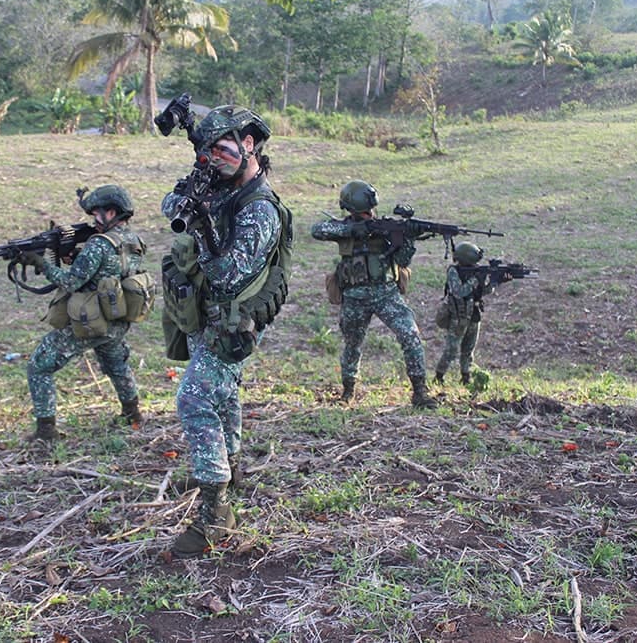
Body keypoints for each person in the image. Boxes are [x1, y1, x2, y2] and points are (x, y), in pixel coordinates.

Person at [160, 105, 292, 558]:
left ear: (249, 144)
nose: (211, 159)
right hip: (206, 314)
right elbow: (169, 203)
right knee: (222, 395)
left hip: (232, 318)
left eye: (219, 149)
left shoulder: (259, 210)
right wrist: (184, 205)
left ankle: (215, 514)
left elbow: (228, 276)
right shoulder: (216, 185)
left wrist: (201, 228)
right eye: (204, 152)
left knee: (194, 397)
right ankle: (231, 468)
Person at [17, 185, 146, 442]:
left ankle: (46, 430)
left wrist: (41, 263)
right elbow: (109, 271)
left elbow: (71, 282)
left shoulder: (98, 244)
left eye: (97, 213)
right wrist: (75, 256)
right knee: (116, 364)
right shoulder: (133, 240)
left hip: (92, 321)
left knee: (39, 367)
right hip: (117, 319)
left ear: (111, 212)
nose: (94, 220)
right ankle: (132, 413)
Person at [311, 180, 437, 408]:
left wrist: (408, 240)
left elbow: (401, 261)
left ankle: (420, 391)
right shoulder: (345, 228)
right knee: (352, 345)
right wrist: (353, 230)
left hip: (386, 293)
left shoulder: (385, 228)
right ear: (351, 209)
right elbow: (317, 230)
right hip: (354, 297)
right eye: (363, 212)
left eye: (370, 210)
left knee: (410, 335)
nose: (369, 215)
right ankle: (348, 392)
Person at [433, 241, 510, 385]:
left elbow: (483, 291)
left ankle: (466, 377)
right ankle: (439, 376)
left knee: (468, 350)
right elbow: (459, 291)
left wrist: (496, 282)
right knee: (451, 350)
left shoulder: (476, 271)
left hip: (474, 314)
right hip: (459, 316)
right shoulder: (454, 271)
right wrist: (476, 279)